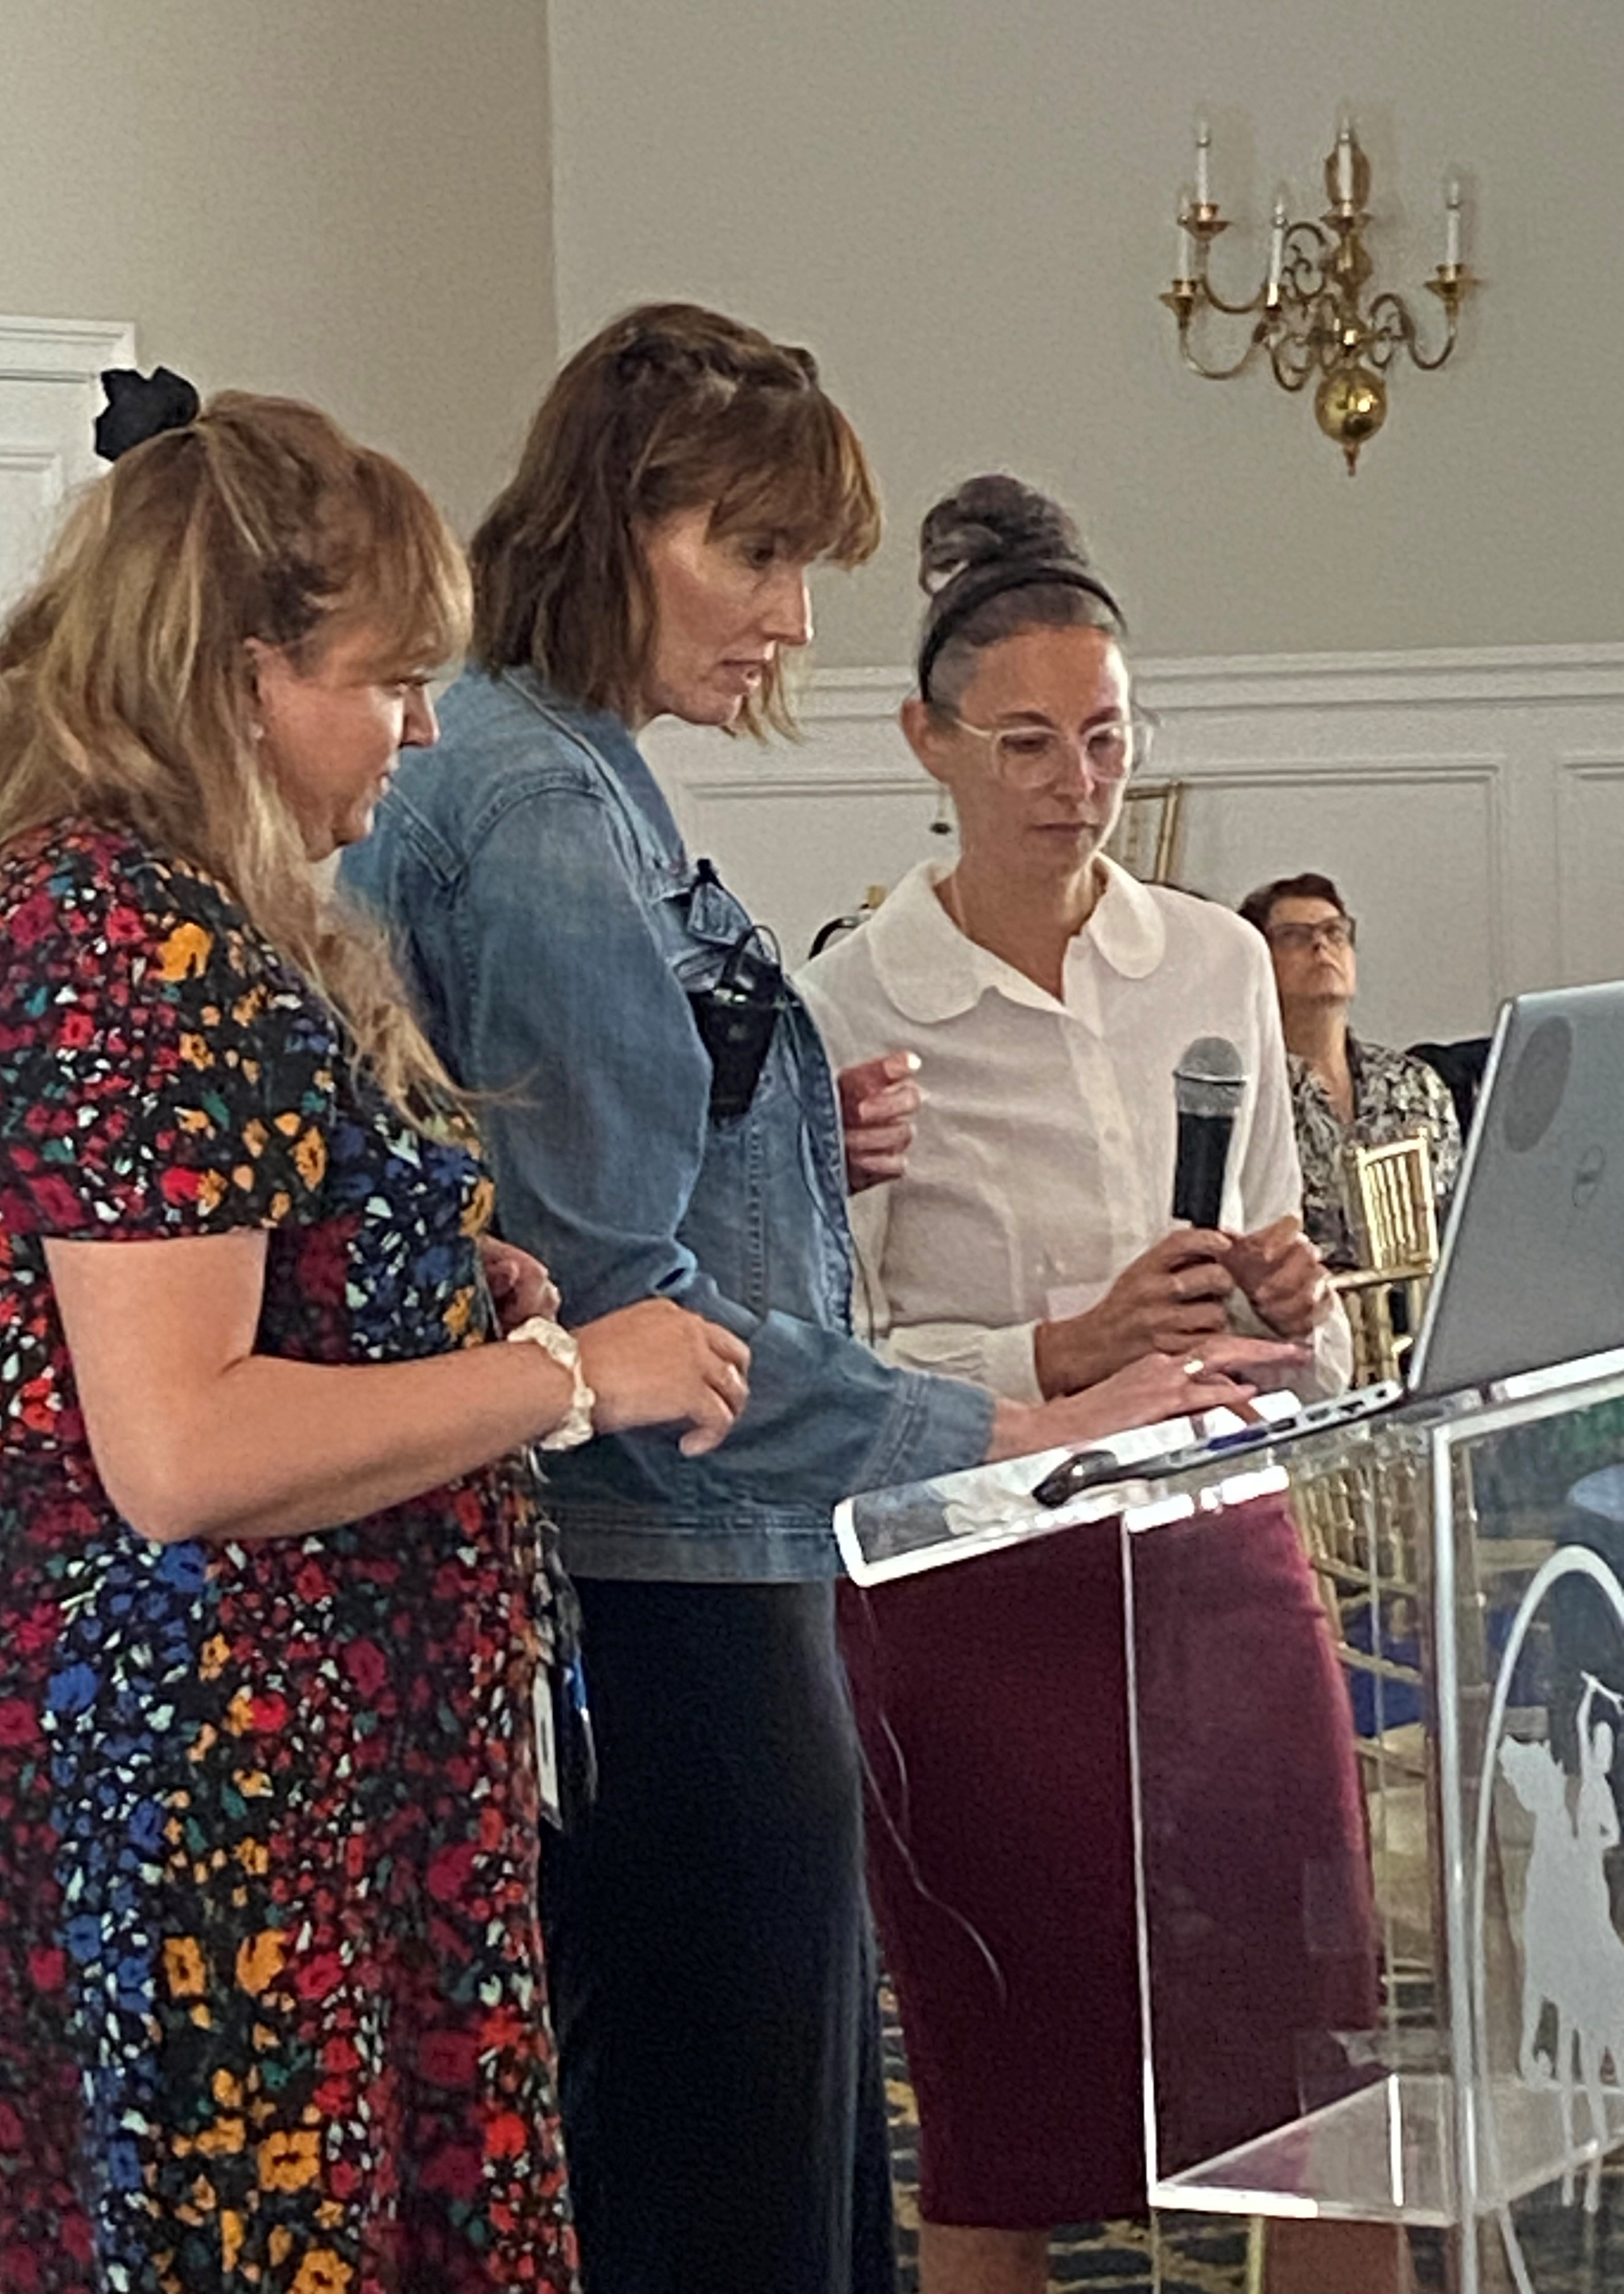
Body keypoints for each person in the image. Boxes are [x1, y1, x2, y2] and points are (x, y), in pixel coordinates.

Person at [336, 307, 1298, 2294]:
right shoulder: (535, 811)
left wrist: (779, 1128)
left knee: (737, 2165)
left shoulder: (559, 764)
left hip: (673, 1577)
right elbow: (626, 1320)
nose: (789, 619)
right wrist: (1018, 1429)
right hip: (669, 1586)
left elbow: (596, 1168)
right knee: (729, 2199)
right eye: (751, 555)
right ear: (617, 522)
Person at [0, 372, 756, 2293]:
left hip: (309, 1749)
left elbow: (246, 1282)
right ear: (233, 674)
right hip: (202, 1772)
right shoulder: (122, 939)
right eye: (383, 681)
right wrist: (559, 1376)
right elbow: (180, 1449)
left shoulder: (210, 910)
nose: (421, 728)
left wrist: (439, 1298)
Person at [797, 475, 1383, 2294]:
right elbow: (844, 1370)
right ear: (929, 741)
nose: (1078, 782)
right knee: (1007, 2099)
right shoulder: (846, 1007)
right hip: (980, 1594)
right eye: (1033, 741)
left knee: (1321, 2066)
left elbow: (1317, 1324)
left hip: (1222, 1555)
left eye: (1110, 738)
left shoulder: (1212, 960)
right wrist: (1074, 1345)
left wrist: (1297, 1304)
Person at [1239, 871, 1464, 1268]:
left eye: (1335, 932)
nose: (1321, 945)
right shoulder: (1251, 1096)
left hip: (1420, 1309)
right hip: (1298, 1318)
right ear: (1258, 961)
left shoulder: (1417, 1085)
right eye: (1294, 935)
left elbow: (1460, 1221)